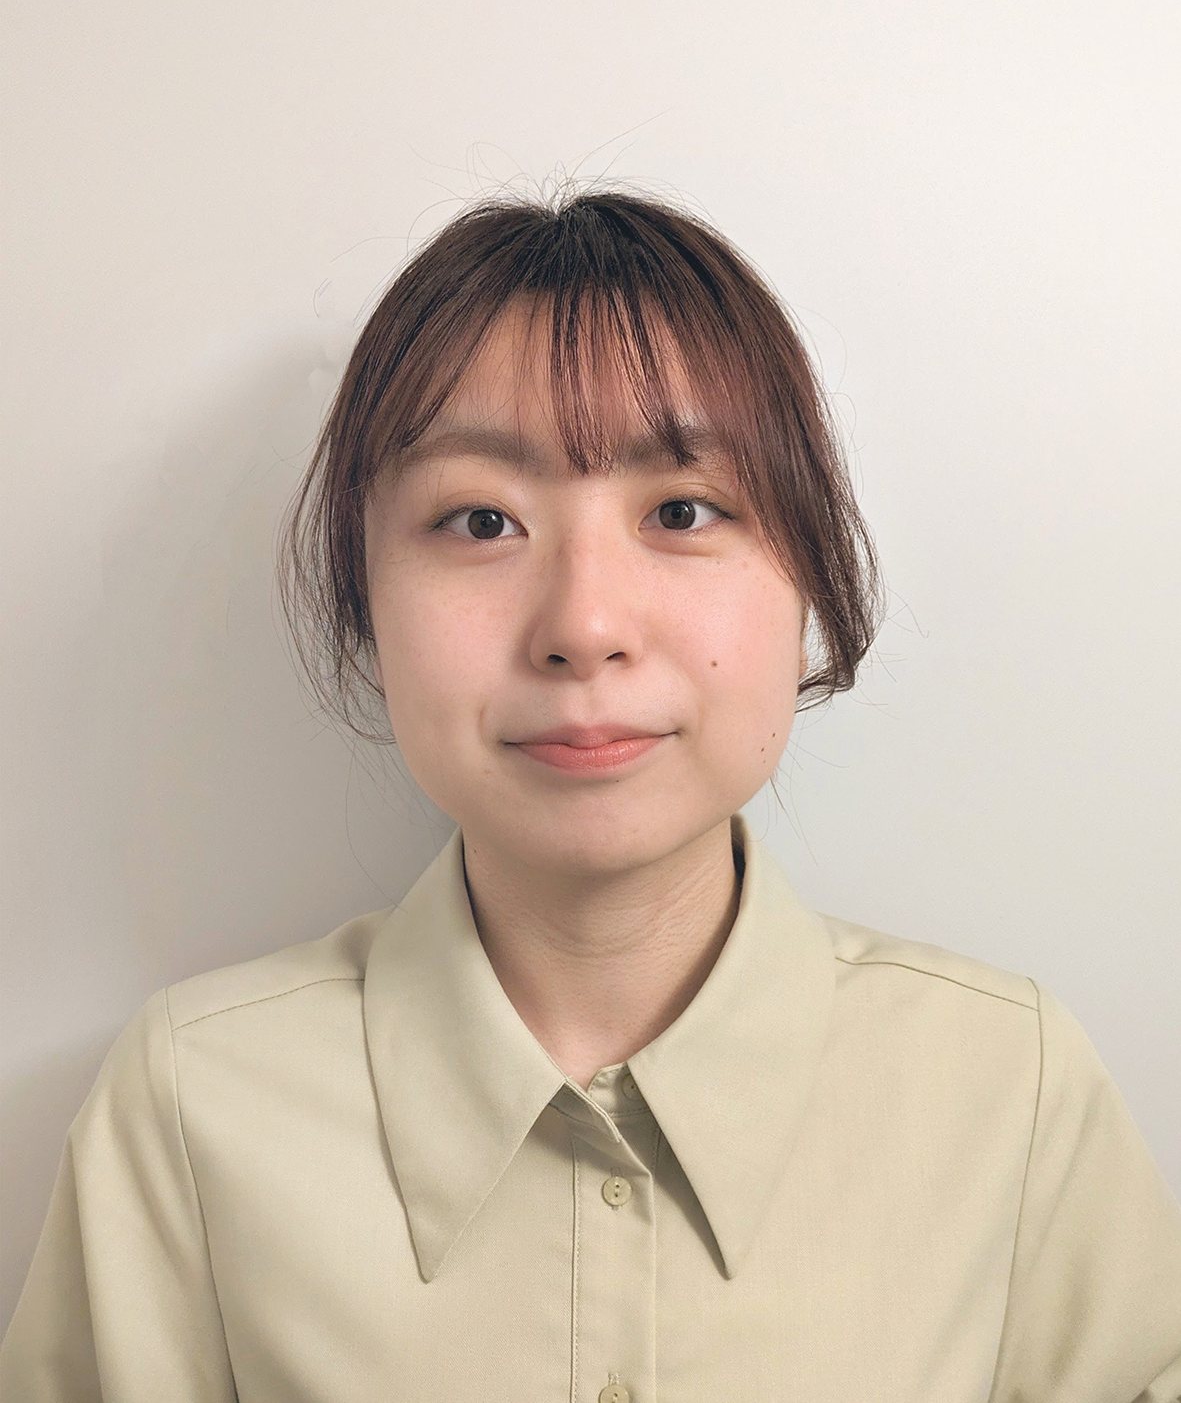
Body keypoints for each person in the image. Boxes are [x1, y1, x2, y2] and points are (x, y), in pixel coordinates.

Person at [3, 187, 1179, 1402]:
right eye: (479, 520)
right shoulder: (192, 1110)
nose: (583, 624)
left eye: (681, 510)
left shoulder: (1005, 1089)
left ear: (808, 580)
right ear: (366, 608)